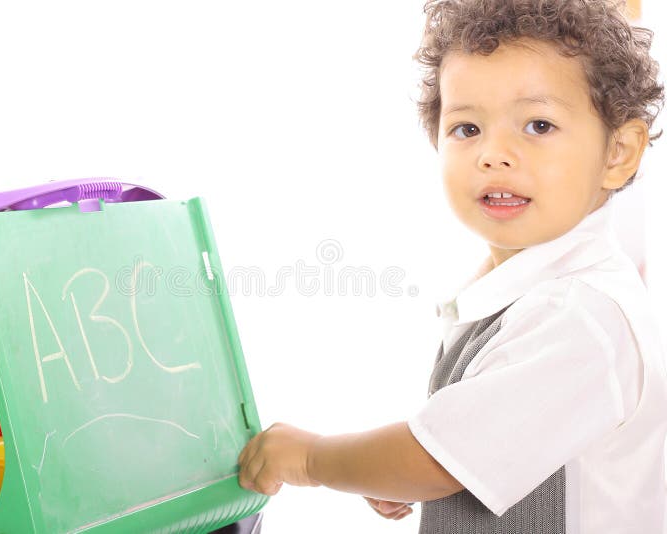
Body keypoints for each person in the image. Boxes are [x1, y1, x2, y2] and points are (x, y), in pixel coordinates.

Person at [236, 1, 667, 532]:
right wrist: (386, 473)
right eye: (467, 129)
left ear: (619, 152)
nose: (494, 154)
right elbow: (465, 442)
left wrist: (310, 458)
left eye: (538, 124)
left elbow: (436, 460)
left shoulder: (580, 315)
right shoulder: (516, 289)